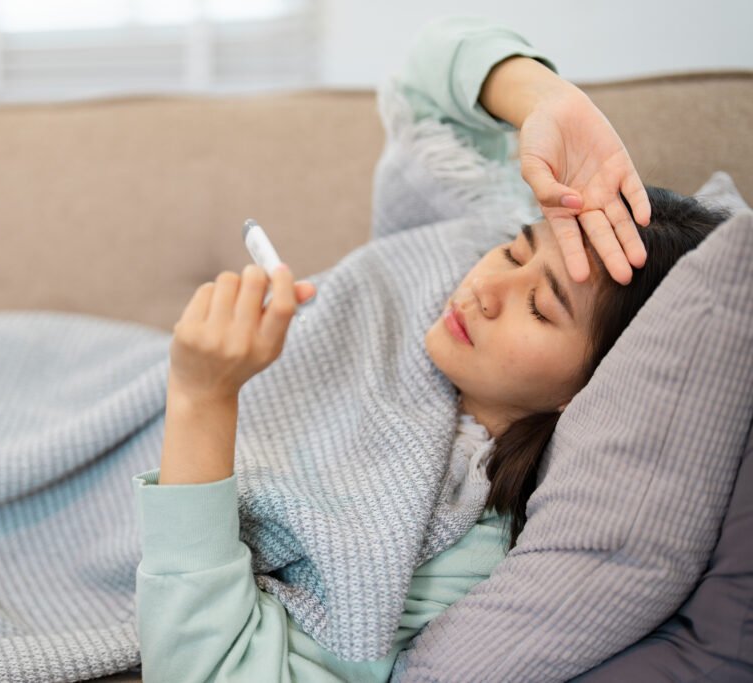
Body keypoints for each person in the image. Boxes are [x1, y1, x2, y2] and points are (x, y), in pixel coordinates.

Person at [132, 15, 732, 683]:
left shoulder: (459, 542)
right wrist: (547, 100)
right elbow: (425, 80)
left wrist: (202, 398)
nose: (486, 288)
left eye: (540, 307)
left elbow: (213, 670)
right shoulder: (453, 243)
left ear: (594, 386)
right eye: (512, 249)